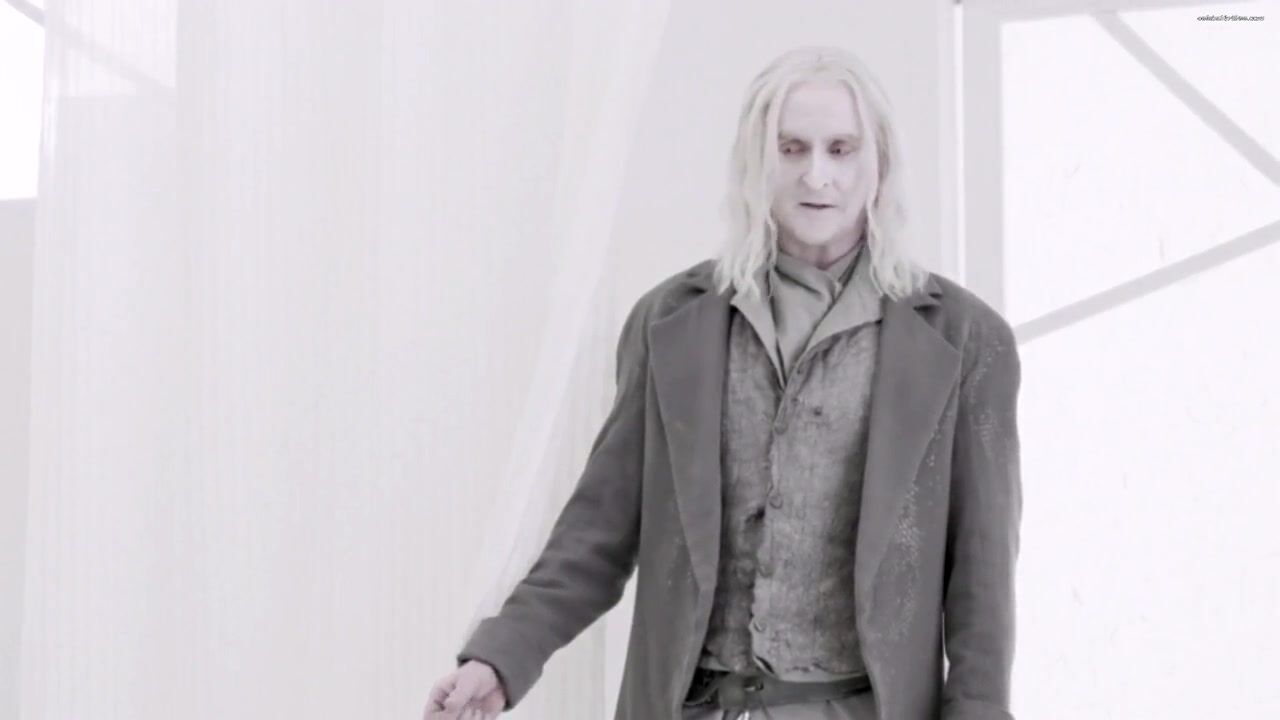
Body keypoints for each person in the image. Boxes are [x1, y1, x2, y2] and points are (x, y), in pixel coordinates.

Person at [425, 45, 1022, 720]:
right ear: (755, 162)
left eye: (841, 149)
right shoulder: (669, 323)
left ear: (879, 162)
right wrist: (500, 659)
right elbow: (598, 532)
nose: (817, 175)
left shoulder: (966, 341)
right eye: (791, 149)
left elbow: (982, 588)